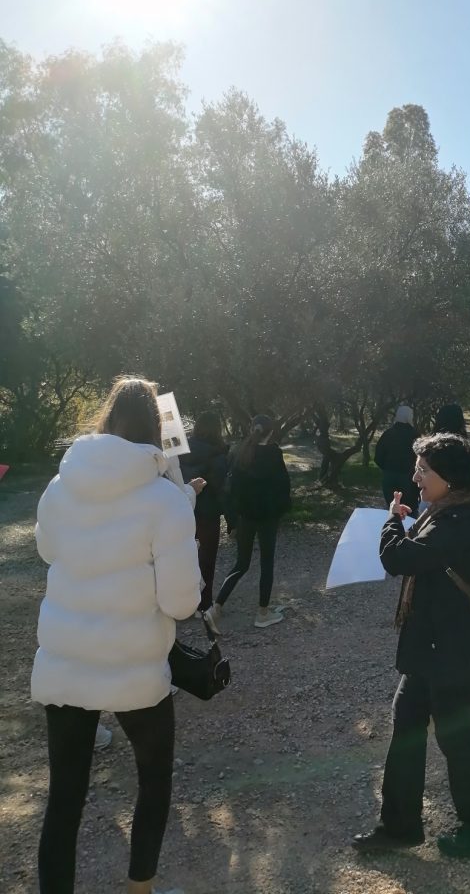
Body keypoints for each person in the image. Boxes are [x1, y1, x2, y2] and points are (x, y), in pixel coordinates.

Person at [31, 376, 204, 894]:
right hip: (136, 667)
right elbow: (181, 603)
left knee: (64, 798)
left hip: (66, 661)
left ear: (106, 420)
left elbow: (47, 551)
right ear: (156, 429)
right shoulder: (165, 500)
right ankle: (139, 887)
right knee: (153, 780)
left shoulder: (60, 485)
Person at [353, 432, 470, 858]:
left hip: (454, 654)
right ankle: (400, 826)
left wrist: (391, 521)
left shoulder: (461, 523)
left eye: (423, 470)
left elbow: (399, 558)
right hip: (437, 648)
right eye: (416, 468)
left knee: (455, 737)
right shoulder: (453, 515)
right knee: (408, 723)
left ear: (449, 477)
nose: (415, 478)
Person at [205, 414, 291, 632]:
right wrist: (281, 509)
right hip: (268, 517)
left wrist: (234, 517)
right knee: (266, 563)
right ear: (271, 432)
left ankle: (216, 607)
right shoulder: (274, 454)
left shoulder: (240, 451)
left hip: (245, 517)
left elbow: (231, 487)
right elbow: (283, 485)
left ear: (252, 428)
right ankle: (263, 612)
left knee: (241, 563)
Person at [180, 411, 229, 614]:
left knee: (185, 557)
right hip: (208, 515)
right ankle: (203, 602)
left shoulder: (180, 452)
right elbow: (221, 490)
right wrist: (230, 517)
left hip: (183, 510)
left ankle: (183, 601)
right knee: (206, 559)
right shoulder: (218, 456)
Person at [373, 405, 419, 512]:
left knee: (391, 507)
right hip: (408, 477)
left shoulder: (388, 433)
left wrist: (387, 468)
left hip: (389, 476)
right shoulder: (415, 435)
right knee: (408, 509)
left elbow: (378, 456)